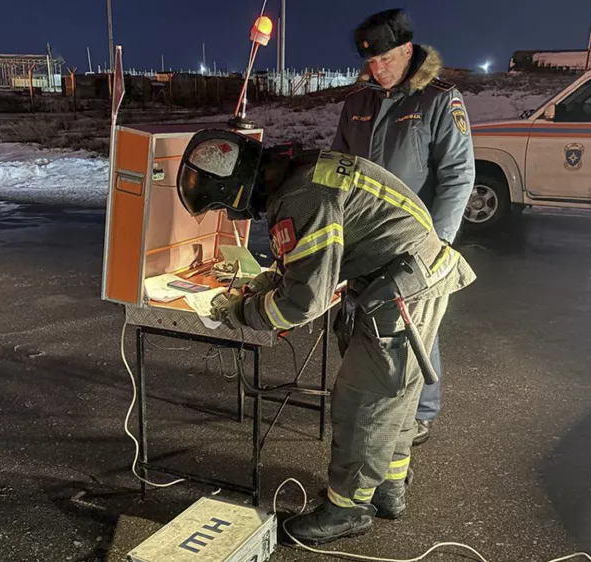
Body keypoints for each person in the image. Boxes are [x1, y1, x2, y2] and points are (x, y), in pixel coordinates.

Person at [176, 129, 475, 544]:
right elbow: (314, 256)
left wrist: (241, 312)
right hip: (409, 275)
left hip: (401, 289)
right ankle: (388, 490)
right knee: (395, 397)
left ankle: (348, 510)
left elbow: (301, 303)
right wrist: (268, 281)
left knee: (364, 401)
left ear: (237, 190)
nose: (232, 216)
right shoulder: (302, 173)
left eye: (225, 207)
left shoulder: (300, 198)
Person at [331, 8, 476, 446]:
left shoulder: (438, 99)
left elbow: (458, 175)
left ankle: (422, 411)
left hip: (416, 240)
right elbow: (337, 168)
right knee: (364, 319)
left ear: (408, 50)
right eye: (371, 62)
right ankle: (372, 397)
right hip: (363, 236)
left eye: (386, 59)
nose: (378, 69)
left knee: (415, 325)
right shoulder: (358, 103)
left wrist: (439, 243)